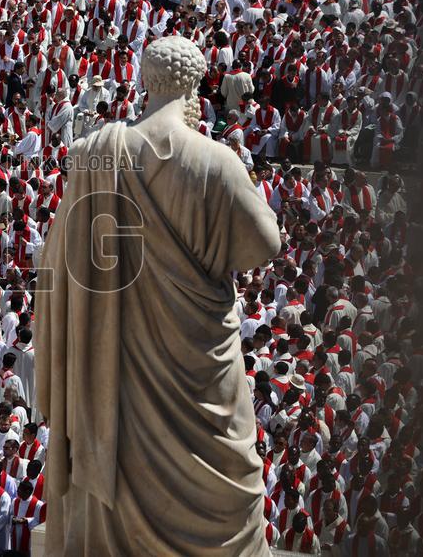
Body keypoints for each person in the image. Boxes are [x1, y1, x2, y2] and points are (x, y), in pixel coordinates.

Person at [36, 37, 280, 554]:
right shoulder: (215, 162)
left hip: (116, 369)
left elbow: (56, 265)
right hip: (201, 366)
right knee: (234, 477)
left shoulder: (95, 156)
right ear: (194, 87)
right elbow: (265, 243)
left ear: (145, 81)